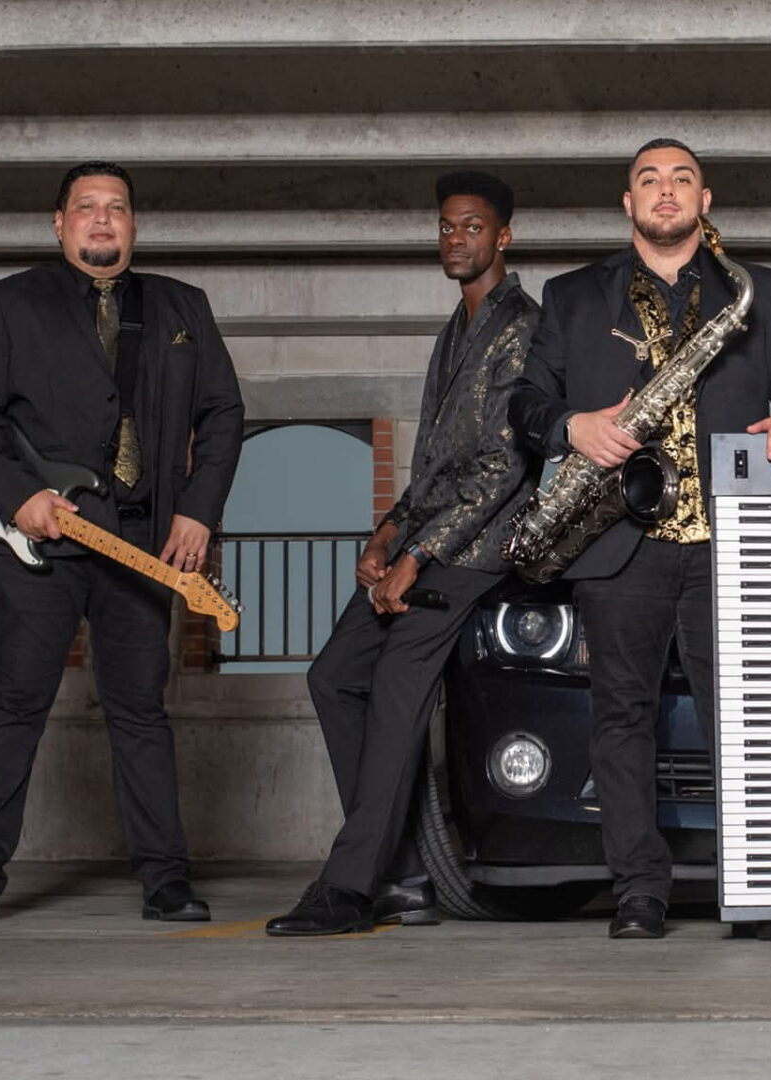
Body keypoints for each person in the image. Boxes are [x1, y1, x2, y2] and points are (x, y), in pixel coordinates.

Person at [509, 138, 771, 941]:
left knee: (751, 716)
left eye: (681, 179)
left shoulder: (760, 292)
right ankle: (639, 894)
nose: (665, 191)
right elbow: (524, 403)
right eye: (649, 180)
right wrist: (574, 426)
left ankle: (761, 894)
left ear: (705, 199)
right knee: (622, 719)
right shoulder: (573, 295)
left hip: (732, 539)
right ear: (628, 203)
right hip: (620, 538)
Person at [0, 161, 245, 924]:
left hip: (143, 546)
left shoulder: (183, 306)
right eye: (87, 208)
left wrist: (198, 511)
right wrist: (21, 498)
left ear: (134, 224)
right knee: (14, 704)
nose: (102, 220)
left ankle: (166, 879)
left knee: (141, 710)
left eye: (117, 208)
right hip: (40, 545)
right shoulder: (6, 304)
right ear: (59, 222)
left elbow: (223, 414)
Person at [266, 171, 540, 936]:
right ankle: (404, 874)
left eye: (472, 227)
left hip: (479, 551)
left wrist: (417, 556)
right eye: (447, 227)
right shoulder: (454, 331)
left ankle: (350, 888)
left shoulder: (523, 327)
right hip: (425, 538)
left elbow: (501, 467)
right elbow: (434, 466)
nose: (456, 239)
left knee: (394, 687)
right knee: (333, 676)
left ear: (503, 237)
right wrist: (387, 535)